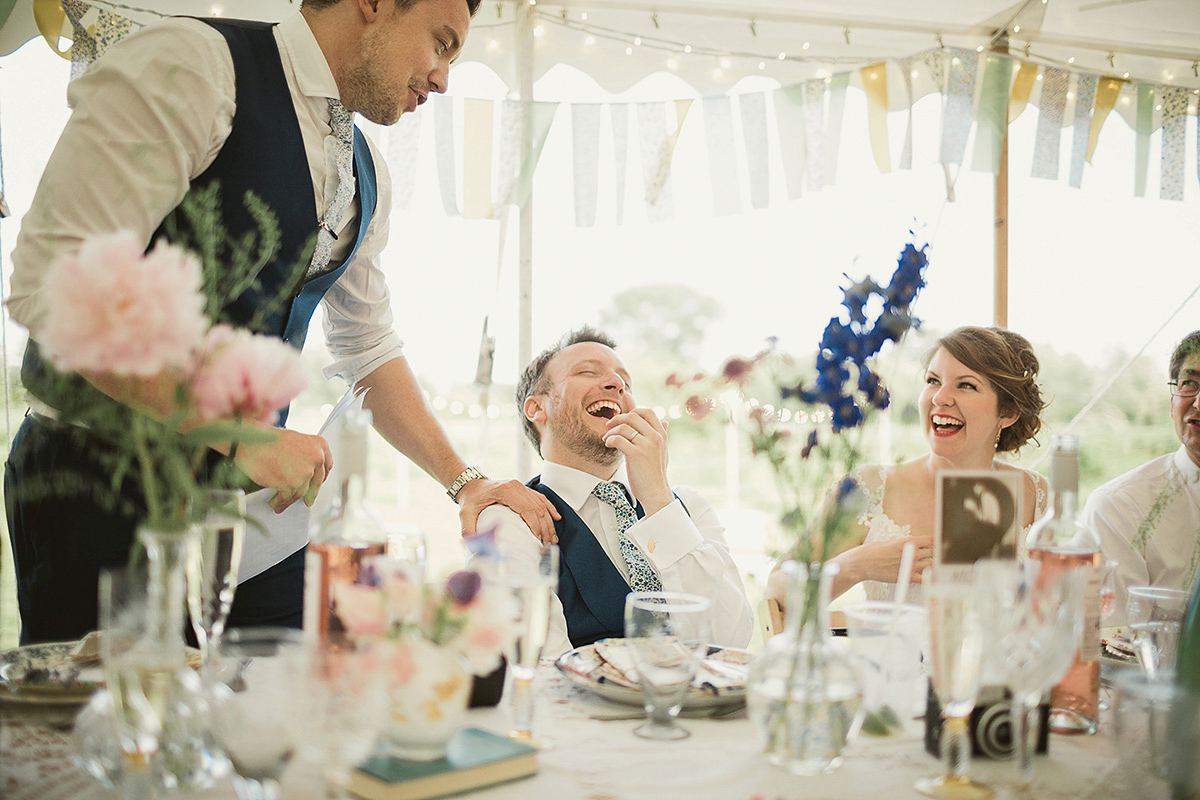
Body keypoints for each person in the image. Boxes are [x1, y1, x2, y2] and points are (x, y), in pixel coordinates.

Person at [3, 0, 557, 645]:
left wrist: (467, 482)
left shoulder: (364, 168)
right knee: (118, 731)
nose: (442, 78)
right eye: (441, 42)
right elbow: (54, 288)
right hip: (101, 494)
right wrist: (239, 435)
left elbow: (367, 344)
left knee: (294, 706)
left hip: (252, 518)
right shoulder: (193, 65)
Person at [477, 327, 754, 658]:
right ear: (537, 408)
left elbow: (731, 641)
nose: (616, 384)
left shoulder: (689, 507)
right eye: (587, 372)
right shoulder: (511, 520)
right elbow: (537, 665)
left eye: (625, 381)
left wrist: (659, 501)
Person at [768, 326, 1049, 607]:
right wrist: (856, 565)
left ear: (1008, 412)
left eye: (966, 385)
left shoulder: (1034, 493)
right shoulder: (870, 487)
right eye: (933, 380)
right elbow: (778, 590)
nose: (940, 398)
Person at [1082, 331, 1200, 627]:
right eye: (1189, 383)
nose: (1198, 403)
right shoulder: (1119, 507)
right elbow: (1117, 650)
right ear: (1172, 401)